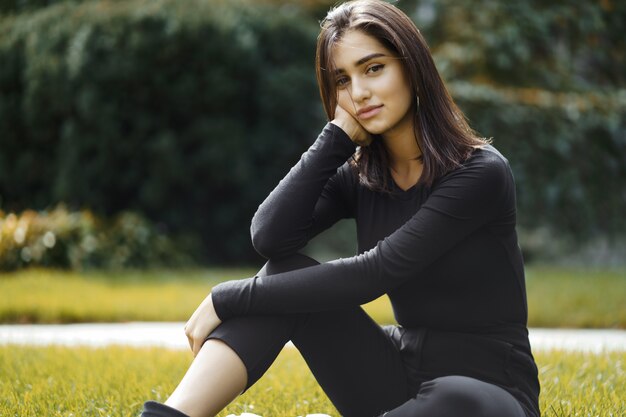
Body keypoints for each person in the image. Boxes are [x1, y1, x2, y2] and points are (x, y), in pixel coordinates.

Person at [140, 1, 540, 416]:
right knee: (287, 273)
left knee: (457, 399)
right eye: (342, 80)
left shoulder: (481, 173)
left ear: (412, 66)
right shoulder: (364, 175)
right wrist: (335, 138)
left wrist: (227, 298)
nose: (360, 93)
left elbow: (374, 272)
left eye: (373, 68)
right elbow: (271, 237)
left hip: (489, 390)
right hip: (398, 376)